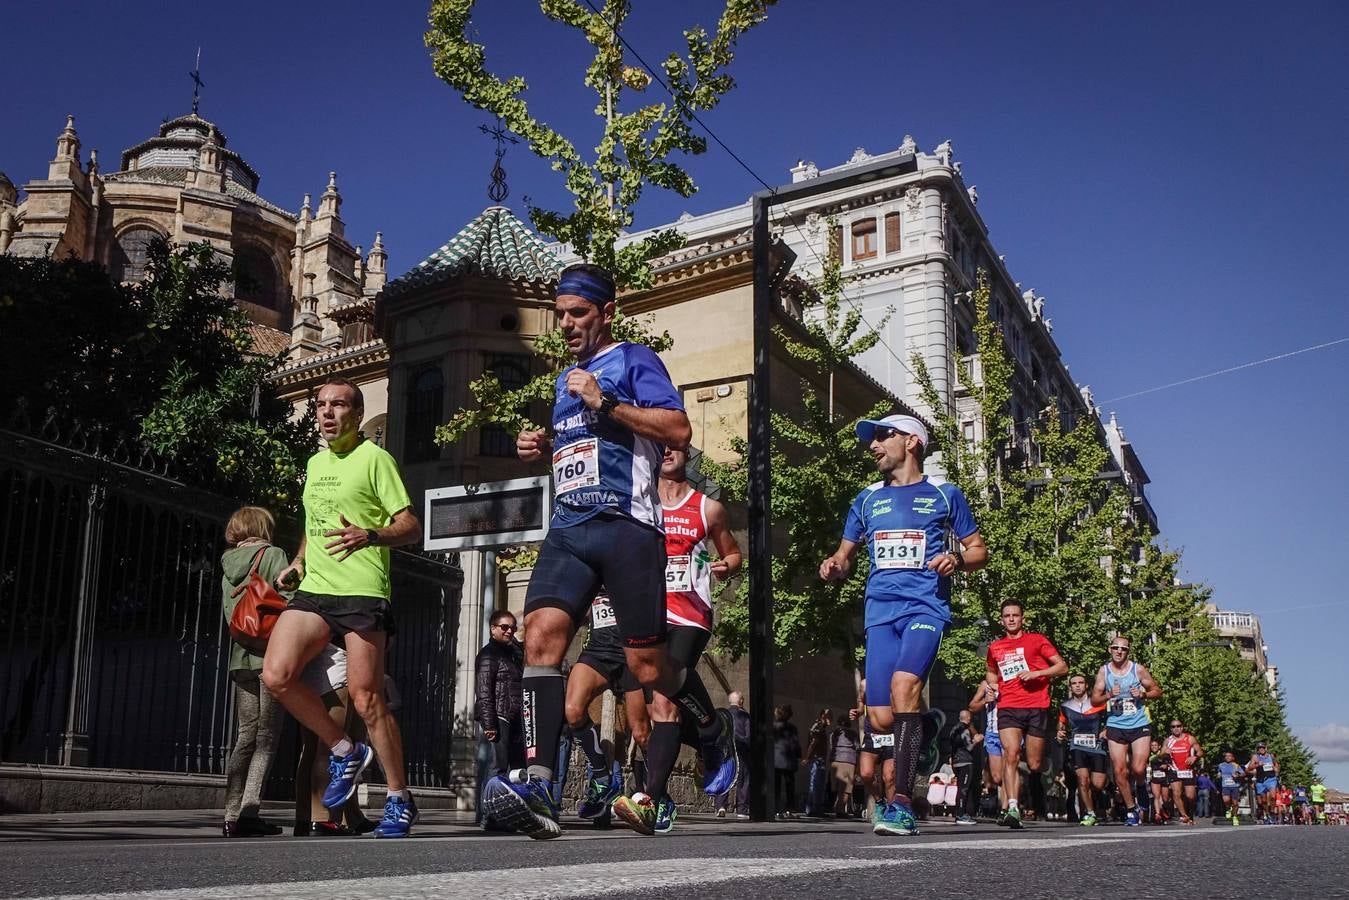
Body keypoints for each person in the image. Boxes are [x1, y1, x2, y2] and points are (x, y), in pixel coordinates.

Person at [487, 263, 735, 840]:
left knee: (648, 671)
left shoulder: (635, 359)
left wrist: (606, 402)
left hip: (628, 528)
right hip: (571, 526)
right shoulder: (562, 380)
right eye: (560, 314)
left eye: (578, 313)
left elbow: (677, 430)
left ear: (605, 312)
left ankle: (711, 729)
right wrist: (543, 445)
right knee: (541, 636)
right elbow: (584, 445)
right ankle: (540, 784)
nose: (567, 324)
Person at [261, 376, 423, 838]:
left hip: (363, 590)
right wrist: (297, 561)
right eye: (320, 406)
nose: (327, 413)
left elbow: (410, 526)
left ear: (356, 415)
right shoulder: (314, 463)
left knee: (367, 698)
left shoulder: (376, 459)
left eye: (339, 406)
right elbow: (317, 522)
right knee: (277, 675)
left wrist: (369, 535)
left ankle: (398, 797)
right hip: (316, 588)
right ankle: (344, 750)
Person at [820, 413, 988, 837]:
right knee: (879, 719)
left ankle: (901, 804)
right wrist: (835, 564)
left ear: (912, 441)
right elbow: (845, 554)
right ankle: (927, 727)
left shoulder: (945, 495)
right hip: (879, 613)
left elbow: (978, 550)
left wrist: (957, 559)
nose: (873, 446)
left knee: (903, 690)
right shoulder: (866, 499)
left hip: (925, 607)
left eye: (881, 437)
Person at [611, 445, 741, 834]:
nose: (667, 452)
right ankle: (712, 729)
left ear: (687, 453)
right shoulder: (637, 503)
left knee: (664, 701)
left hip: (689, 614)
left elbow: (733, 554)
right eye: (659, 447)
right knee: (650, 715)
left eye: (674, 446)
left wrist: (726, 566)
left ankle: (651, 799)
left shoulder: (707, 507)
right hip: (646, 613)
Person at [220, 506, 290, 838]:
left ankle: (231, 814)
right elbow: (290, 600)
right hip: (270, 658)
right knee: (267, 738)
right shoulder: (273, 555)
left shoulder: (227, 565)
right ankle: (249, 812)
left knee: (244, 737)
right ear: (263, 527)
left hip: (240, 658)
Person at [564, 590, 650, 824]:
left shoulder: (634, 569)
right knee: (572, 710)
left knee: (642, 733)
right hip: (598, 652)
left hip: (631, 655)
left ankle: (657, 794)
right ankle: (602, 778)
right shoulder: (591, 576)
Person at [985, 600, 1067, 829]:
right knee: (1010, 754)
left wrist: (1036, 673)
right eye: (1007, 616)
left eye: (1015, 615)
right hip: (1008, 706)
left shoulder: (1037, 640)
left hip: (1036, 706)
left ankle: (1030, 795)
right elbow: (991, 674)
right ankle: (1012, 807)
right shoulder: (996, 647)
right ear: (1002, 620)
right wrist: (993, 689)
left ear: (1023, 618)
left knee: (1034, 763)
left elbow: (1062, 667)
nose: (1011, 619)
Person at [294, 644, 375, 836]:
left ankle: (308, 819)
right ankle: (324, 818)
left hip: (308, 674)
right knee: (334, 749)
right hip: (337, 669)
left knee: (311, 750)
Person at [1091, 635, 1162, 827]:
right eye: (1115, 648)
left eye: (1123, 649)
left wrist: (1144, 694)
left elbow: (1157, 691)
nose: (1119, 651)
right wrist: (1108, 695)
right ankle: (1131, 810)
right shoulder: (1104, 672)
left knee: (1138, 768)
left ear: (1128, 651)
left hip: (1139, 723)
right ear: (1110, 649)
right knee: (1119, 771)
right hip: (1116, 725)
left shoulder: (1137, 669)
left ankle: (1140, 786)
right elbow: (1094, 700)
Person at [475, 609, 524, 821]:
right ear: (493, 628)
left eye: (512, 627)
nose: (509, 631)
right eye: (504, 627)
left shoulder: (512, 653)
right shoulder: (488, 655)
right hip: (499, 716)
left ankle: (503, 813)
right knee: (496, 768)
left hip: (514, 717)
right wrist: (489, 723)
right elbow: (484, 691)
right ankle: (488, 815)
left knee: (511, 769)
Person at [1057, 673, 1108, 827]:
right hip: (1077, 746)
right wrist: (1059, 733)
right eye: (1074, 683)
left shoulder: (1098, 703)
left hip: (1097, 747)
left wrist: (1106, 730)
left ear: (1086, 685)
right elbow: (1061, 725)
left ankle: (1095, 803)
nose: (1077, 685)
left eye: (1081, 682)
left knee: (1098, 784)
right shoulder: (1065, 706)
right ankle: (1090, 814)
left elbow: (1110, 719)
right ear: (1070, 687)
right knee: (1082, 780)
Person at [855, 678, 894, 825]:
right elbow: (860, 703)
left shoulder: (896, 679)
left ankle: (891, 813)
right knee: (866, 774)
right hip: (872, 735)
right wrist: (858, 711)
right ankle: (879, 802)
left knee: (889, 777)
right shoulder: (865, 683)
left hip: (893, 735)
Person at [969, 680, 1002, 819]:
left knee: (1010, 768)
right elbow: (971, 707)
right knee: (997, 777)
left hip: (1012, 729)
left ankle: (1008, 808)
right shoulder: (985, 684)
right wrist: (985, 701)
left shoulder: (1014, 680)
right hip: (992, 733)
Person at [716, 692, 751, 819]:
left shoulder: (721, 714)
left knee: (724, 777)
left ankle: (721, 806)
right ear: (741, 701)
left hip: (725, 750)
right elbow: (748, 737)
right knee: (743, 780)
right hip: (741, 750)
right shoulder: (745, 716)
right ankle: (741, 809)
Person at [1163, 718, 1202, 824]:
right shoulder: (1168, 741)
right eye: (1173, 727)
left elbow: (1200, 752)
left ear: (1182, 727)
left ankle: (1189, 812)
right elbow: (1160, 755)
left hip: (1187, 770)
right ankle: (1184, 816)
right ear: (1171, 729)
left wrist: (1195, 757)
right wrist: (1164, 753)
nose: (1176, 728)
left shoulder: (1190, 739)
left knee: (1190, 796)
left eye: (1178, 726)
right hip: (1174, 770)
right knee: (1176, 793)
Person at [948, 709, 980, 824]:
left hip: (956, 762)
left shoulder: (953, 729)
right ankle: (961, 815)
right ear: (968, 718)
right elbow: (969, 747)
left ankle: (960, 813)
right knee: (964, 789)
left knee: (960, 788)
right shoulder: (964, 730)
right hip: (965, 762)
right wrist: (976, 741)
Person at [802, 708, 833, 817]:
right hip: (817, 759)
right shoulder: (818, 726)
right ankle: (811, 808)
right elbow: (813, 743)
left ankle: (817, 808)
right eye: (828, 715)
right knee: (814, 784)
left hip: (820, 759)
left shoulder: (822, 727)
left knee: (819, 785)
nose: (831, 718)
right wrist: (807, 757)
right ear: (822, 716)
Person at [829, 711, 860, 818]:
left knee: (838, 788)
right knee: (847, 788)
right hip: (848, 760)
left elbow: (831, 746)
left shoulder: (833, 733)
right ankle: (840, 810)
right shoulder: (853, 734)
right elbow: (858, 747)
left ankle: (838, 807)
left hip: (835, 760)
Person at [773, 704, 801, 818]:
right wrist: (799, 755)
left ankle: (776, 809)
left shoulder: (772, 726)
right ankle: (789, 809)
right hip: (788, 760)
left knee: (776, 786)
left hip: (775, 760)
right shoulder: (792, 728)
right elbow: (795, 744)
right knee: (789, 786)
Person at [1245, 742, 1279, 823]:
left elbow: (1276, 765)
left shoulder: (1271, 756)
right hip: (1260, 780)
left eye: (1263, 748)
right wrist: (1257, 765)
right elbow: (1249, 768)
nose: (1261, 749)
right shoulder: (1255, 757)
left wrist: (1276, 769)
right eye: (1260, 748)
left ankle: (1272, 812)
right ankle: (1267, 814)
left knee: (1273, 797)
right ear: (1257, 750)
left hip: (1271, 779)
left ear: (1266, 748)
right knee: (1263, 801)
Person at [1148, 738, 1173, 824]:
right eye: (1152, 745)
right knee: (1156, 796)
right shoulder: (1149, 755)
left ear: (1159, 746)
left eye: (1155, 745)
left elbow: (1171, 764)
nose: (1153, 747)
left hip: (1164, 778)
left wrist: (1166, 765)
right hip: (1154, 778)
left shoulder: (1165, 755)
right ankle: (1157, 814)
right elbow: (1150, 762)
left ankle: (1165, 811)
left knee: (1165, 798)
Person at [1217, 750, 1244, 825]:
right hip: (1225, 785)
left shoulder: (1236, 765)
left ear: (1233, 758)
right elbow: (1219, 772)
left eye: (1229, 756)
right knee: (1226, 800)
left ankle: (1235, 817)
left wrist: (1237, 775)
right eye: (1226, 756)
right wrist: (1218, 775)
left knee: (1235, 803)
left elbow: (1243, 773)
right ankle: (1228, 809)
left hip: (1234, 786)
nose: (1228, 757)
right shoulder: (1221, 765)